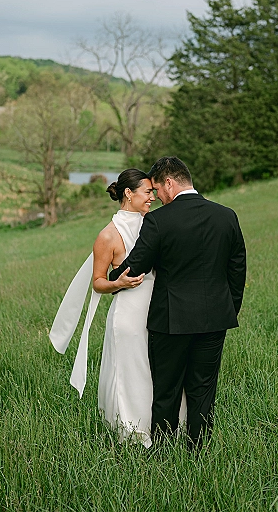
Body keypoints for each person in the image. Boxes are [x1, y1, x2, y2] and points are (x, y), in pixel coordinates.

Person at [109, 156, 246, 449]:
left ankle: (163, 453)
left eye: (157, 189)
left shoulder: (159, 220)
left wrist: (113, 276)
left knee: (167, 390)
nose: (157, 197)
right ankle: (198, 451)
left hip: (171, 321)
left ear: (169, 183)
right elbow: (237, 269)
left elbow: (138, 263)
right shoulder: (227, 215)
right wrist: (228, 310)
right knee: (203, 390)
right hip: (214, 320)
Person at [50, 168, 172, 447]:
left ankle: (162, 426)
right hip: (128, 312)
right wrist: (121, 284)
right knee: (133, 371)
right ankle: (131, 431)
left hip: (158, 308)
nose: (152, 197)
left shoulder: (153, 224)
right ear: (129, 194)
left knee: (157, 369)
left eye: (154, 192)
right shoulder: (108, 236)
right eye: (147, 192)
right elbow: (98, 283)